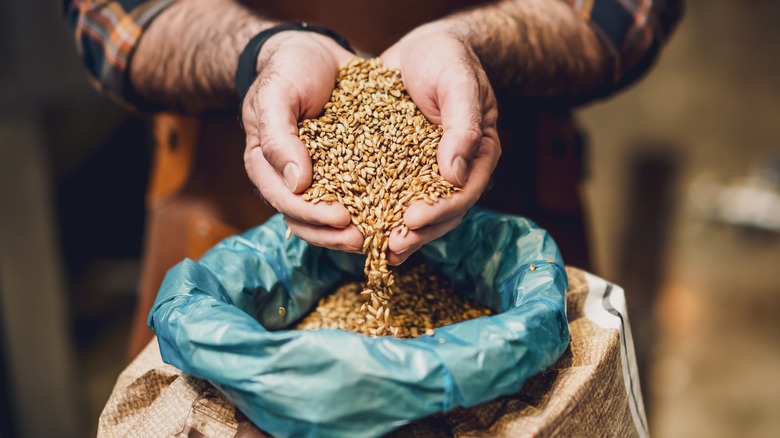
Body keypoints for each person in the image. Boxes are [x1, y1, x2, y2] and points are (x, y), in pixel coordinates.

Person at [64, 0, 683, 358]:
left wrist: (477, 44)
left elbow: (623, 15)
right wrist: (259, 52)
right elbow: (112, 20)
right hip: (223, 206)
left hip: (502, 202)